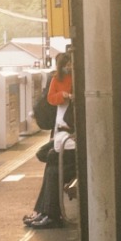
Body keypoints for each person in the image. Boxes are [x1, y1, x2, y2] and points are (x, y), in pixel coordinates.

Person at [27, 50, 76, 228]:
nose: (69, 68)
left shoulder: (76, 83)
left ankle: (50, 214)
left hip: (72, 139)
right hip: (68, 137)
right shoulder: (61, 81)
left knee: (53, 166)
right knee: (50, 161)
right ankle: (44, 211)